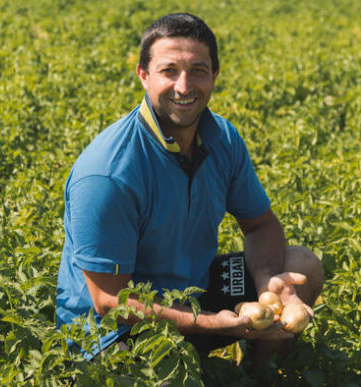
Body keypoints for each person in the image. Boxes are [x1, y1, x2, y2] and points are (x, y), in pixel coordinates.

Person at [55, 12, 324, 369]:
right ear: (143, 76)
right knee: (130, 370)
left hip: (192, 292)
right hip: (114, 331)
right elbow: (110, 300)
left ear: (214, 75)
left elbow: (260, 225)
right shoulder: (108, 174)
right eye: (169, 71)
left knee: (302, 264)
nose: (184, 86)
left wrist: (268, 288)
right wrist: (214, 324)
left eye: (197, 70)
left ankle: (258, 376)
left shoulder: (221, 138)